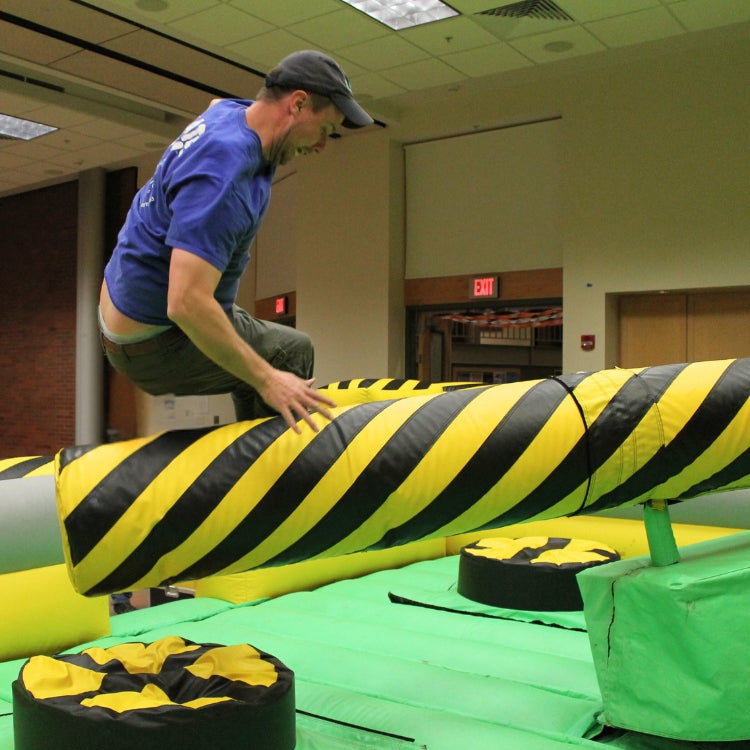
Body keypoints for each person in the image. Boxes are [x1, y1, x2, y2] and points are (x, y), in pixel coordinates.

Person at [99, 50, 373, 433]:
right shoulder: (223, 180)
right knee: (288, 356)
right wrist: (267, 380)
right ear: (297, 103)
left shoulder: (231, 115)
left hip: (131, 315)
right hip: (155, 343)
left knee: (265, 349)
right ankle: (271, 487)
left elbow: (215, 105)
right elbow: (185, 303)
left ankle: (245, 455)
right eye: (325, 130)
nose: (321, 146)